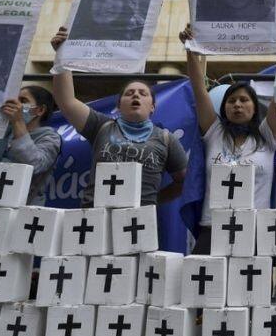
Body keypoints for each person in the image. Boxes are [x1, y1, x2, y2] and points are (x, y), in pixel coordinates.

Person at [180, 25, 276, 254]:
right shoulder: (214, 132)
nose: (238, 105)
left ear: (255, 108)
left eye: (244, 100)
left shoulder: (267, 136)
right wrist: (190, 49)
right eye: (231, 101)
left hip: (255, 231)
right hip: (212, 228)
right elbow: (198, 88)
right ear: (224, 108)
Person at [51, 26, 187, 207]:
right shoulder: (101, 126)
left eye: (143, 93)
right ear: (118, 105)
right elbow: (67, 101)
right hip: (94, 215)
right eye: (129, 93)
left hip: (138, 222)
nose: (136, 96)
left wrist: (153, 201)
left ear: (152, 107)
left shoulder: (166, 139)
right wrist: (62, 55)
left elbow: (184, 181)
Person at [0, 85, 61, 213]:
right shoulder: (2, 131)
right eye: (14, 100)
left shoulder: (50, 138)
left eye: (23, 101)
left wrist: (17, 122)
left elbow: (35, 163)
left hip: (16, 211)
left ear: (40, 110)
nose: (16, 105)